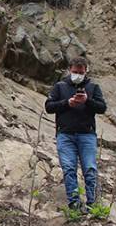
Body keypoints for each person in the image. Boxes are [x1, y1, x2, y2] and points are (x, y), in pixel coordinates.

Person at [45, 56, 108, 213]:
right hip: (65, 134)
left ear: (86, 71)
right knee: (69, 169)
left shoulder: (93, 87)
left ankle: (92, 204)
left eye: (81, 72)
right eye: (75, 72)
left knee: (90, 169)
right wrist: (67, 103)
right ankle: (74, 204)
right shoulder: (60, 86)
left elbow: (102, 108)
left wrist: (87, 101)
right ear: (69, 70)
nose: (78, 75)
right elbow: (49, 107)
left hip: (87, 134)